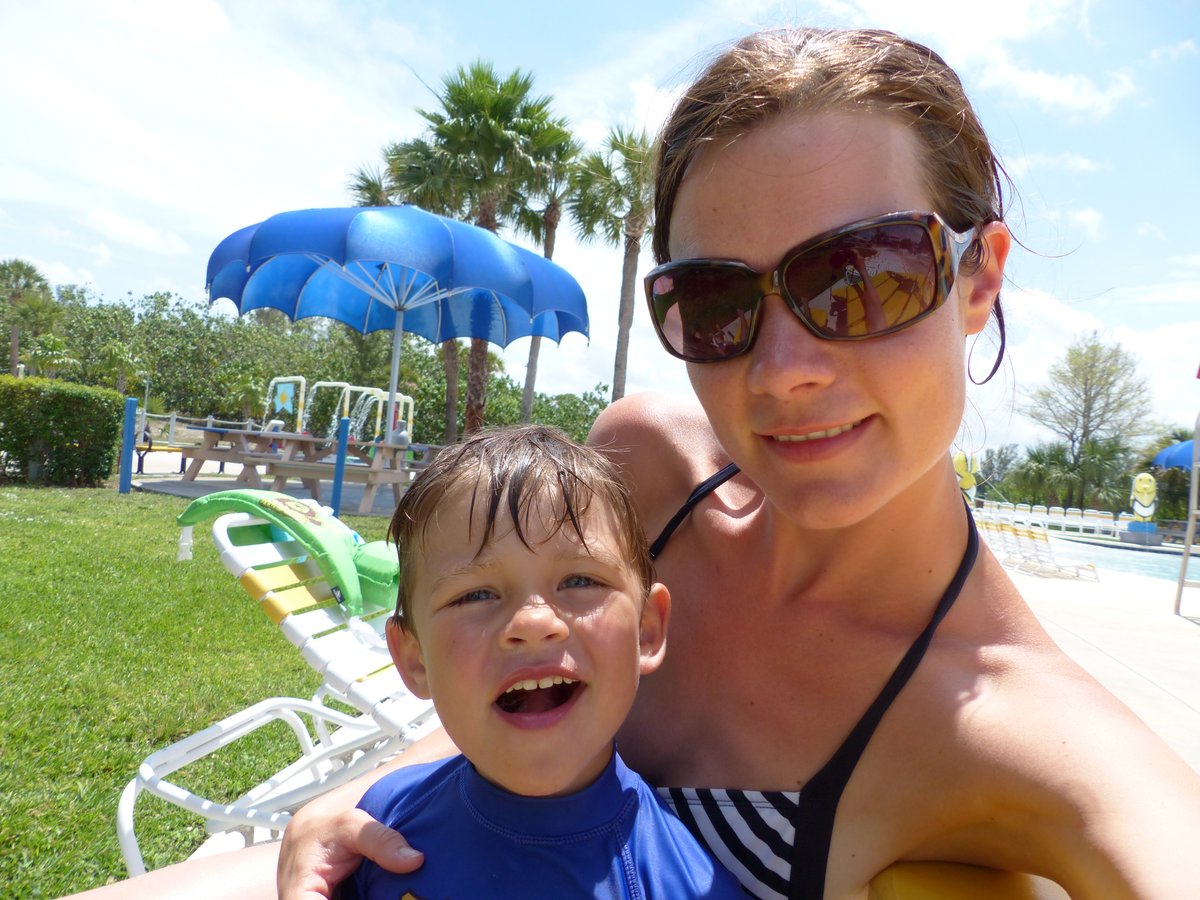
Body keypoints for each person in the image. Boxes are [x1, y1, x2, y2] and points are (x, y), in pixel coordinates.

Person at [77, 26, 1200, 900]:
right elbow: (475, 710)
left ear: (978, 277)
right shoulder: (645, 476)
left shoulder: (1025, 728)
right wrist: (356, 797)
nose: (786, 369)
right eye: (717, 301)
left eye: (862, 276)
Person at [343, 424, 744, 898]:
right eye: (475, 594)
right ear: (414, 660)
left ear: (646, 630)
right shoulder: (379, 824)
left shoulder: (685, 887)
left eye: (579, 582)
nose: (533, 621)